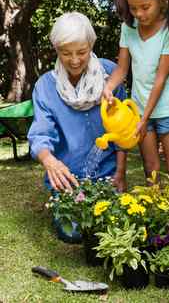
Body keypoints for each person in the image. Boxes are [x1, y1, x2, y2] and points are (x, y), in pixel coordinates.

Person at [28, 12, 127, 242]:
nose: (74, 60)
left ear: (91, 46)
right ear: (56, 50)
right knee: (75, 233)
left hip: (107, 176)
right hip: (68, 180)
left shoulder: (110, 74)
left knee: (114, 226)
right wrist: (49, 161)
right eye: (66, 53)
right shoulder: (45, 86)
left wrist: (121, 173)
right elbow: (40, 134)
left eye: (81, 52)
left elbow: (122, 130)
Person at [103, 0, 169, 182]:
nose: (139, 14)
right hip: (139, 110)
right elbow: (121, 69)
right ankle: (157, 215)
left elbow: (160, 79)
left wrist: (145, 117)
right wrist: (108, 88)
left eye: (145, 7)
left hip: (167, 108)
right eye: (133, 8)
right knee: (151, 169)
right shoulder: (128, 29)